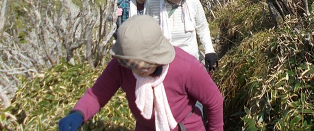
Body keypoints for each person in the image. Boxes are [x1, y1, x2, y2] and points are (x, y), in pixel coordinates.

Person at [58, 15, 223, 131]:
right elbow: (97, 95)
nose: (139, 70)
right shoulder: (121, 66)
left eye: (146, 65)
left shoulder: (186, 67)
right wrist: (78, 113)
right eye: (134, 66)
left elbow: (214, 101)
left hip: (186, 127)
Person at [145, 0, 218, 73]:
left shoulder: (193, 2)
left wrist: (209, 50)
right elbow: (147, 33)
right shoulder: (152, 4)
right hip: (163, 62)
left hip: (190, 59)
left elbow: (202, 27)